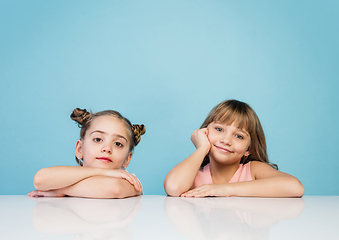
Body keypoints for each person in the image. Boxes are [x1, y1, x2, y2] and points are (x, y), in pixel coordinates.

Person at [164, 100, 304, 198]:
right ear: (205, 132)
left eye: (239, 136)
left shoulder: (253, 170)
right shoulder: (193, 175)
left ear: (248, 149)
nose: (226, 140)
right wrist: (202, 148)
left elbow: (295, 187)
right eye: (219, 129)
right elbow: (173, 187)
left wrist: (224, 189)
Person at [28, 108, 145, 199]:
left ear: (127, 159)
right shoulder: (70, 175)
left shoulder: (129, 180)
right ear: (79, 149)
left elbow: (115, 189)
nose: (107, 148)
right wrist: (104, 172)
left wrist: (59, 190)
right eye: (98, 139)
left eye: (118, 144)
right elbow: (40, 180)